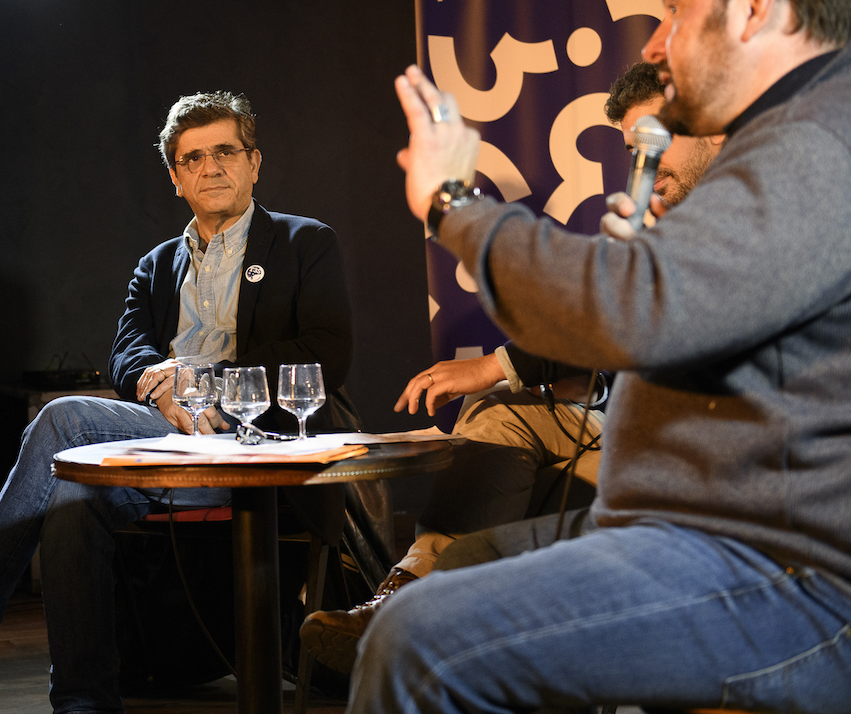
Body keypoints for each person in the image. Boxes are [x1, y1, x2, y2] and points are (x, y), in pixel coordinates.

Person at [352, 0, 851, 714]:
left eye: (677, 8)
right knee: (442, 586)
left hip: (784, 577)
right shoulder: (792, 141)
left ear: (758, 3)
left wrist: (454, 203)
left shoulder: (819, 145)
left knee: (418, 643)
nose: (655, 44)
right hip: (691, 537)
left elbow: (630, 309)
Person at [0, 91, 356, 713]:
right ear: (176, 177)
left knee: (64, 433)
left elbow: (327, 353)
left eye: (226, 152)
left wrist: (206, 379)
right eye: (193, 158)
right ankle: (82, 703)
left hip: (258, 445)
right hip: (164, 437)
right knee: (73, 496)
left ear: (254, 163)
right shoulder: (156, 265)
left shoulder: (304, 243)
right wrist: (158, 381)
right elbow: (127, 353)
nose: (211, 167)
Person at [298, 61, 724, 674]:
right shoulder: (665, 214)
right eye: (636, 150)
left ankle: (423, 627)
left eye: (657, 142)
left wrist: (454, 209)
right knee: (501, 414)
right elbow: (607, 318)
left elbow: (644, 322)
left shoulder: (746, 212)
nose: (644, 166)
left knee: (496, 420)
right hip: (633, 422)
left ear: (711, 125)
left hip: (704, 456)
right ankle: (401, 594)